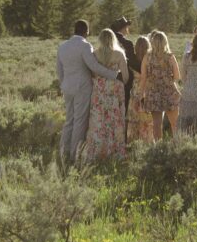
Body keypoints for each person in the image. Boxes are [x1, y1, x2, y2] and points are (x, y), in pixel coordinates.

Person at [56, 20, 123, 164]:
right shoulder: (85, 46)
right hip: (82, 87)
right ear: (86, 31)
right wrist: (114, 75)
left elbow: (59, 71)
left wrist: (64, 84)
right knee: (80, 120)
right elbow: (94, 66)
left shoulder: (62, 47)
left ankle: (63, 152)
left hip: (67, 87)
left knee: (69, 120)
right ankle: (75, 155)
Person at [84, 29, 129, 162]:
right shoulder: (119, 54)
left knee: (99, 122)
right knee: (115, 121)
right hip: (115, 93)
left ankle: (97, 152)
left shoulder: (94, 54)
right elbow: (125, 77)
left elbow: (92, 74)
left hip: (99, 92)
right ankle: (115, 153)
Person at [140, 30, 181, 140]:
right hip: (169, 92)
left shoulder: (147, 57)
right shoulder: (170, 57)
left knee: (157, 124)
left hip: (153, 92)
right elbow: (177, 76)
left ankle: (158, 148)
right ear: (165, 42)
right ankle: (177, 145)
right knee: (174, 123)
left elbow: (143, 77)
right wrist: (167, 79)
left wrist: (141, 93)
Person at [111, 17, 141, 117]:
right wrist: (143, 69)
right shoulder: (127, 43)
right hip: (125, 78)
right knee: (124, 106)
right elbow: (132, 62)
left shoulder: (108, 42)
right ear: (123, 28)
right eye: (127, 27)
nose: (128, 29)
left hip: (109, 78)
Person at [127, 35, 154, 143]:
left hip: (135, 91)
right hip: (148, 91)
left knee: (134, 120)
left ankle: (132, 142)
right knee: (147, 120)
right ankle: (148, 142)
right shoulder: (151, 59)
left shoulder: (131, 60)